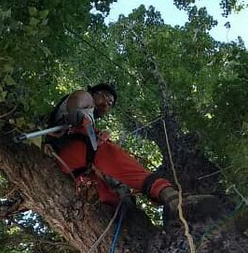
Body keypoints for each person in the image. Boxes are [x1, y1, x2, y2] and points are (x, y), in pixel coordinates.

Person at [44, 83, 180, 209]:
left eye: (110, 103)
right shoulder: (84, 98)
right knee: (108, 150)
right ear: (93, 92)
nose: (106, 104)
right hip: (62, 149)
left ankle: (120, 207)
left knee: (111, 192)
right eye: (105, 97)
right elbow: (79, 100)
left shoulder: (90, 123)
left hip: (74, 168)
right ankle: (163, 191)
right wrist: (82, 117)